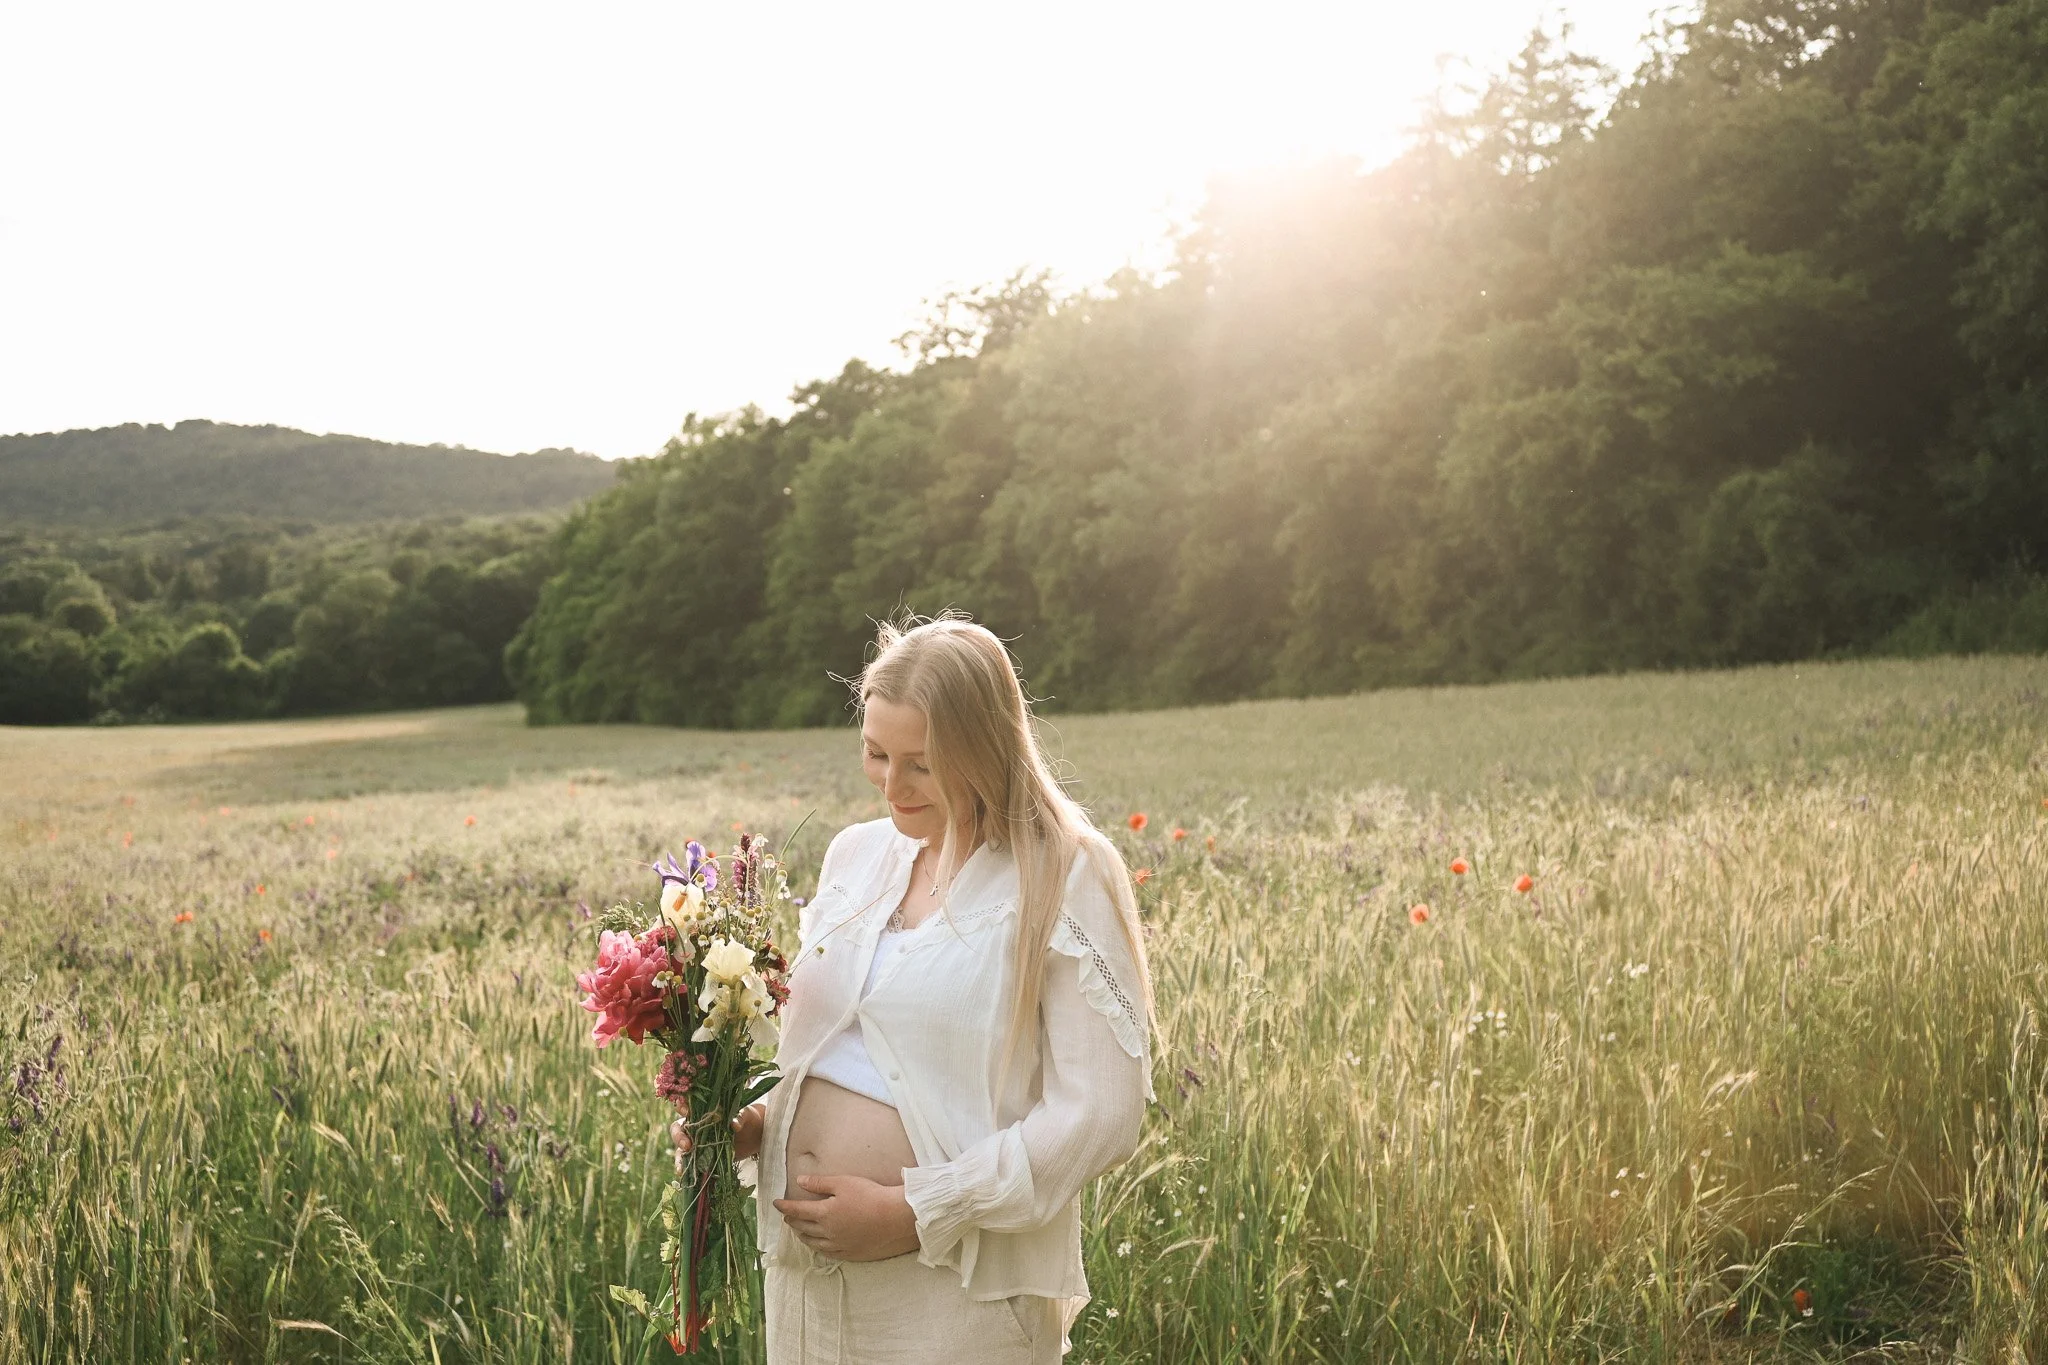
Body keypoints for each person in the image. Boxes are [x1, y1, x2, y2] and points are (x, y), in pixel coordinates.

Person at [729, 612, 1155, 1363]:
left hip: (955, 1291)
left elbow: (1102, 1112)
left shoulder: (1064, 871)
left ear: (983, 747)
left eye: (921, 763)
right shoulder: (855, 855)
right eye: (875, 753)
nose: (893, 785)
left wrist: (917, 1211)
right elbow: (830, 1043)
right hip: (805, 1286)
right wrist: (754, 1120)